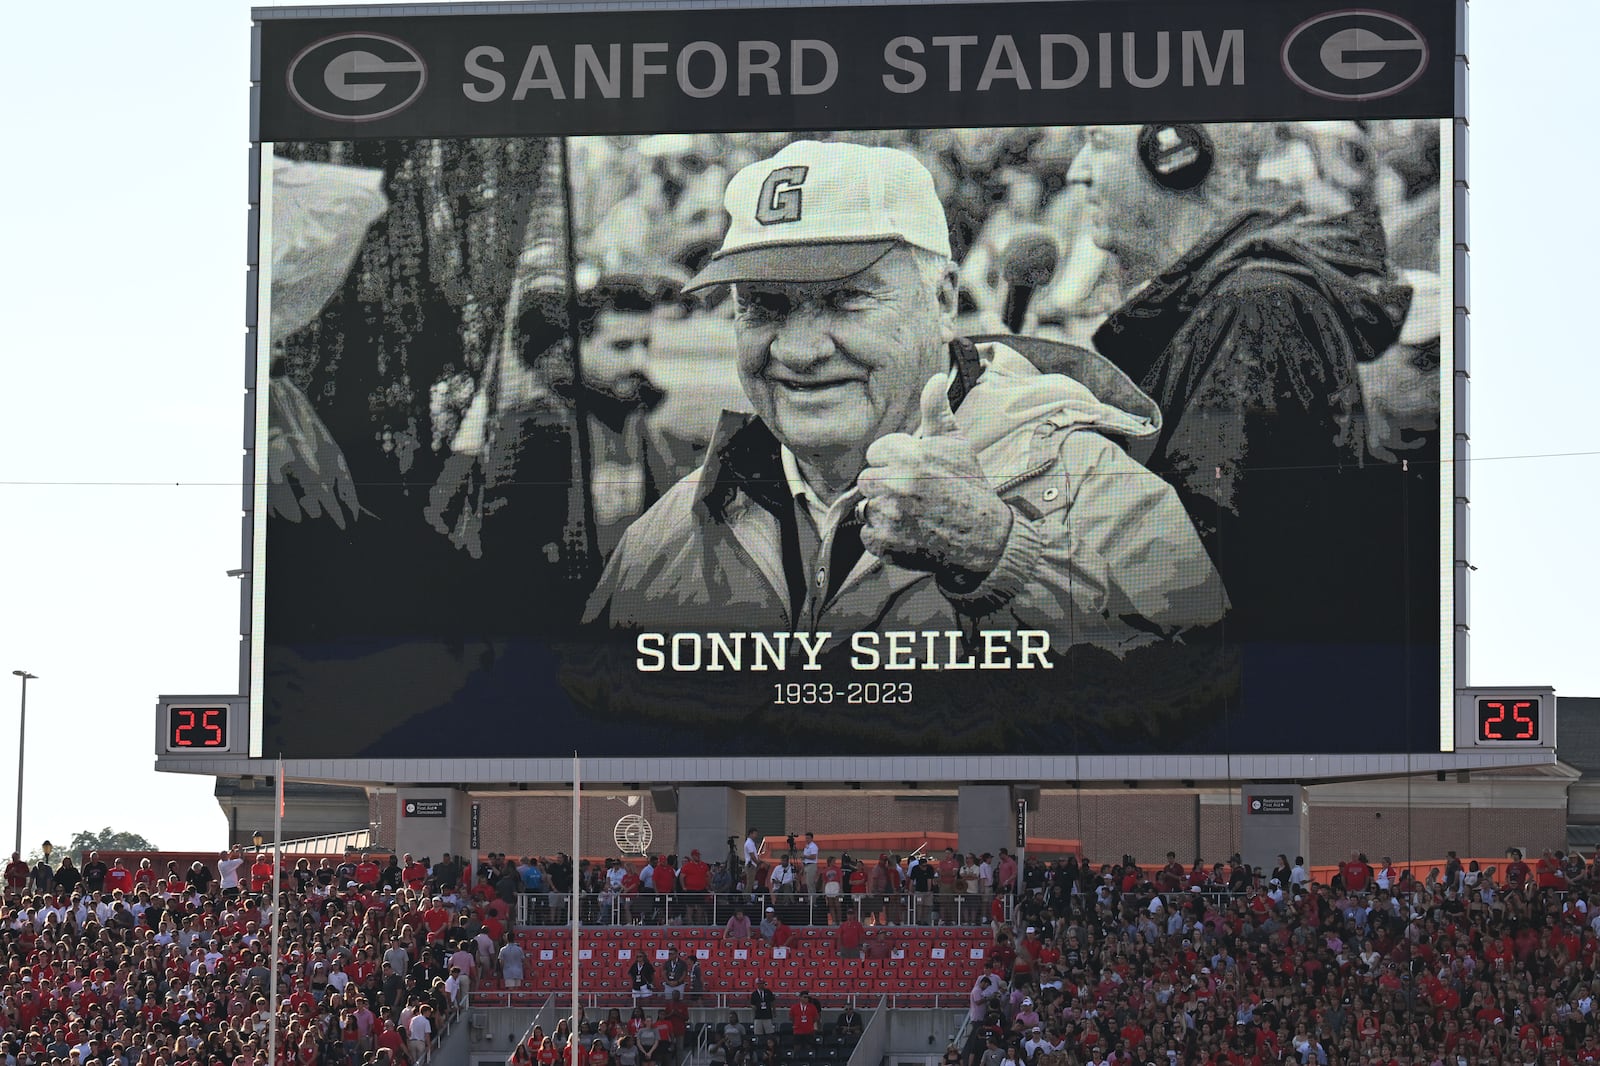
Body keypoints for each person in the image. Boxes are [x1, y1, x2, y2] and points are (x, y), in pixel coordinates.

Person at [585, 139, 1224, 686]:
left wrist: (1002, 557)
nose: (800, 351)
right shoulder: (683, 519)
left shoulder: (1091, 484)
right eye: (764, 306)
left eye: (845, 300)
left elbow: (1203, 709)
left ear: (942, 299)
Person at [1075, 122, 1428, 647]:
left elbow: (1203, 583)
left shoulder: (1256, 309)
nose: (1076, 171)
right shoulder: (1227, 302)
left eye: (1098, 145)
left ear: (1177, 154)